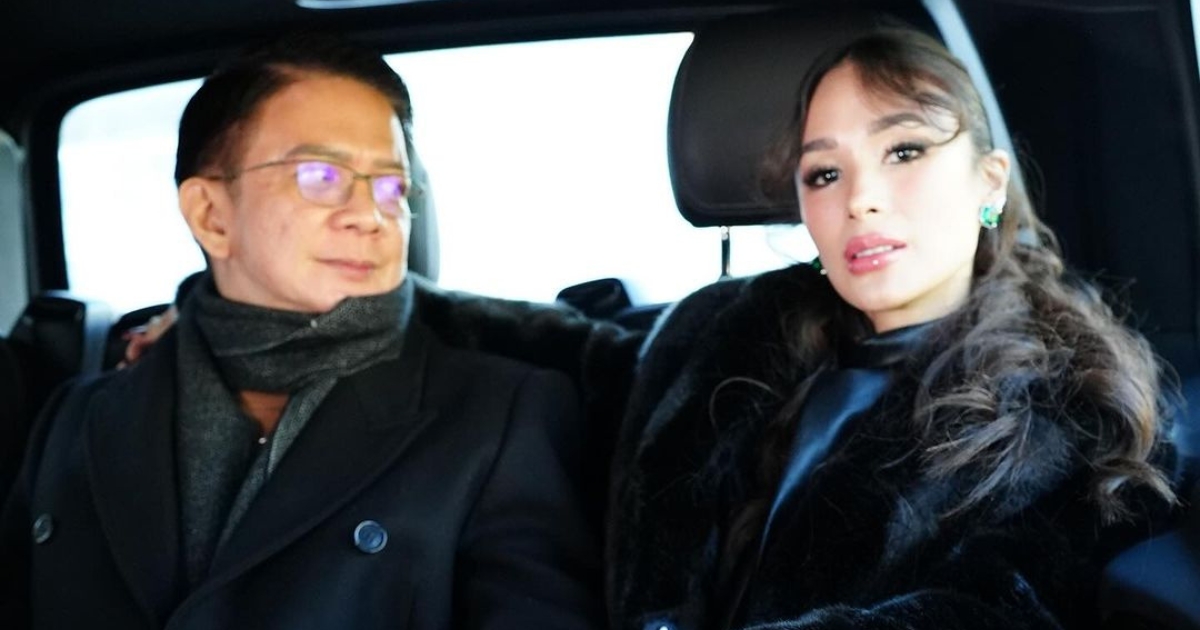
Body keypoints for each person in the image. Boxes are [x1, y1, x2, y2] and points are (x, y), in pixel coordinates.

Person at [0, 33, 602, 629]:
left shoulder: (503, 415)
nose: (370, 215)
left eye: (392, 186)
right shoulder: (74, 419)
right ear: (211, 216)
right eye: (320, 175)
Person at [606, 28, 1176, 630]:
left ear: (989, 181)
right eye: (824, 173)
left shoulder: (1069, 415)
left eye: (904, 151)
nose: (860, 199)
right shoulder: (718, 342)